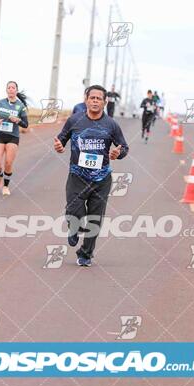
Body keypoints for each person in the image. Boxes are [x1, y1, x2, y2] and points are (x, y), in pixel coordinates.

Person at [53, 84, 129, 267]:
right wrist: (59, 146)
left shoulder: (111, 124)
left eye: (99, 99)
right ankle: (74, 226)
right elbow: (61, 139)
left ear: (105, 102)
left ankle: (86, 254)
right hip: (77, 176)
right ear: (86, 99)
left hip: (101, 179)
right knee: (73, 209)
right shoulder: (74, 120)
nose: (95, 101)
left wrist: (118, 153)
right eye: (92, 98)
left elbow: (124, 147)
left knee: (95, 218)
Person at [0, 81, 29, 196]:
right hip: (0, 135)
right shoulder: (0, 103)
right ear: (6, 90)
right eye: (9, 87)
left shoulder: (20, 107)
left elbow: (25, 124)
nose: (11, 89)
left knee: (8, 163)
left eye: (13, 88)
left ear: (16, 91)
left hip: (13, 137)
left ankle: (6, 186)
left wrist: (18, 120)